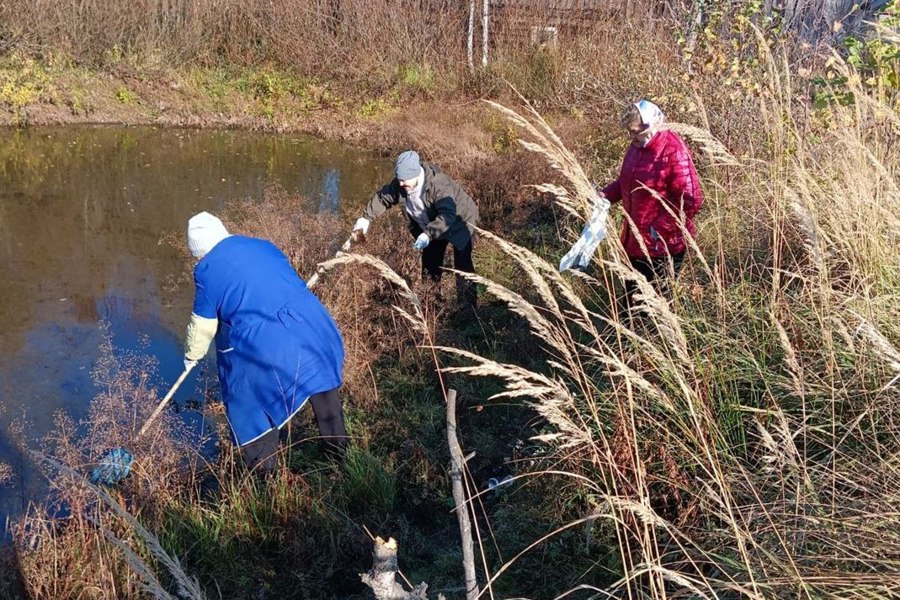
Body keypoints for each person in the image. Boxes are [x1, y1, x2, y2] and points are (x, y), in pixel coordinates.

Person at [183, 211, 348, 474]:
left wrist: (192, 356)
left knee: (249, 403)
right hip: (314, 327)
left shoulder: (206, 270)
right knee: (321, 384)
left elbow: (203, 325)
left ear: (200, 251)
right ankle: (341, 459)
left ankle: (265, 478)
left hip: (270, 345)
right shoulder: (261, 245)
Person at [600, 99, 703, 309]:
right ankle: (632, 335)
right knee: (632, 301)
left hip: (663, 247)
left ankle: (657, 340)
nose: (632, 137)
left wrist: (658, 229)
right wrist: (604, 195)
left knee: (656, 306)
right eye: (630, 132)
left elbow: (691, 200)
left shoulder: (673, 150)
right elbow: (627, 182)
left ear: (652, 124)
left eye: (636, 131)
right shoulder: (636, 147)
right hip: (634, 241)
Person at [351, 150, 479, 309]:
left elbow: (447, 216)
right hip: (431, 226)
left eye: (404, 180)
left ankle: (468, 311)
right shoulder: (401, 185)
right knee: (430, 264)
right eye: (399, 180)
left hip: (460, 221)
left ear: (416, 174)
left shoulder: (438, 185)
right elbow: (382, 198)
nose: (400, 184)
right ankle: (432, 306)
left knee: (463, 265)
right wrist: (365, 219)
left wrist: (427, 234)